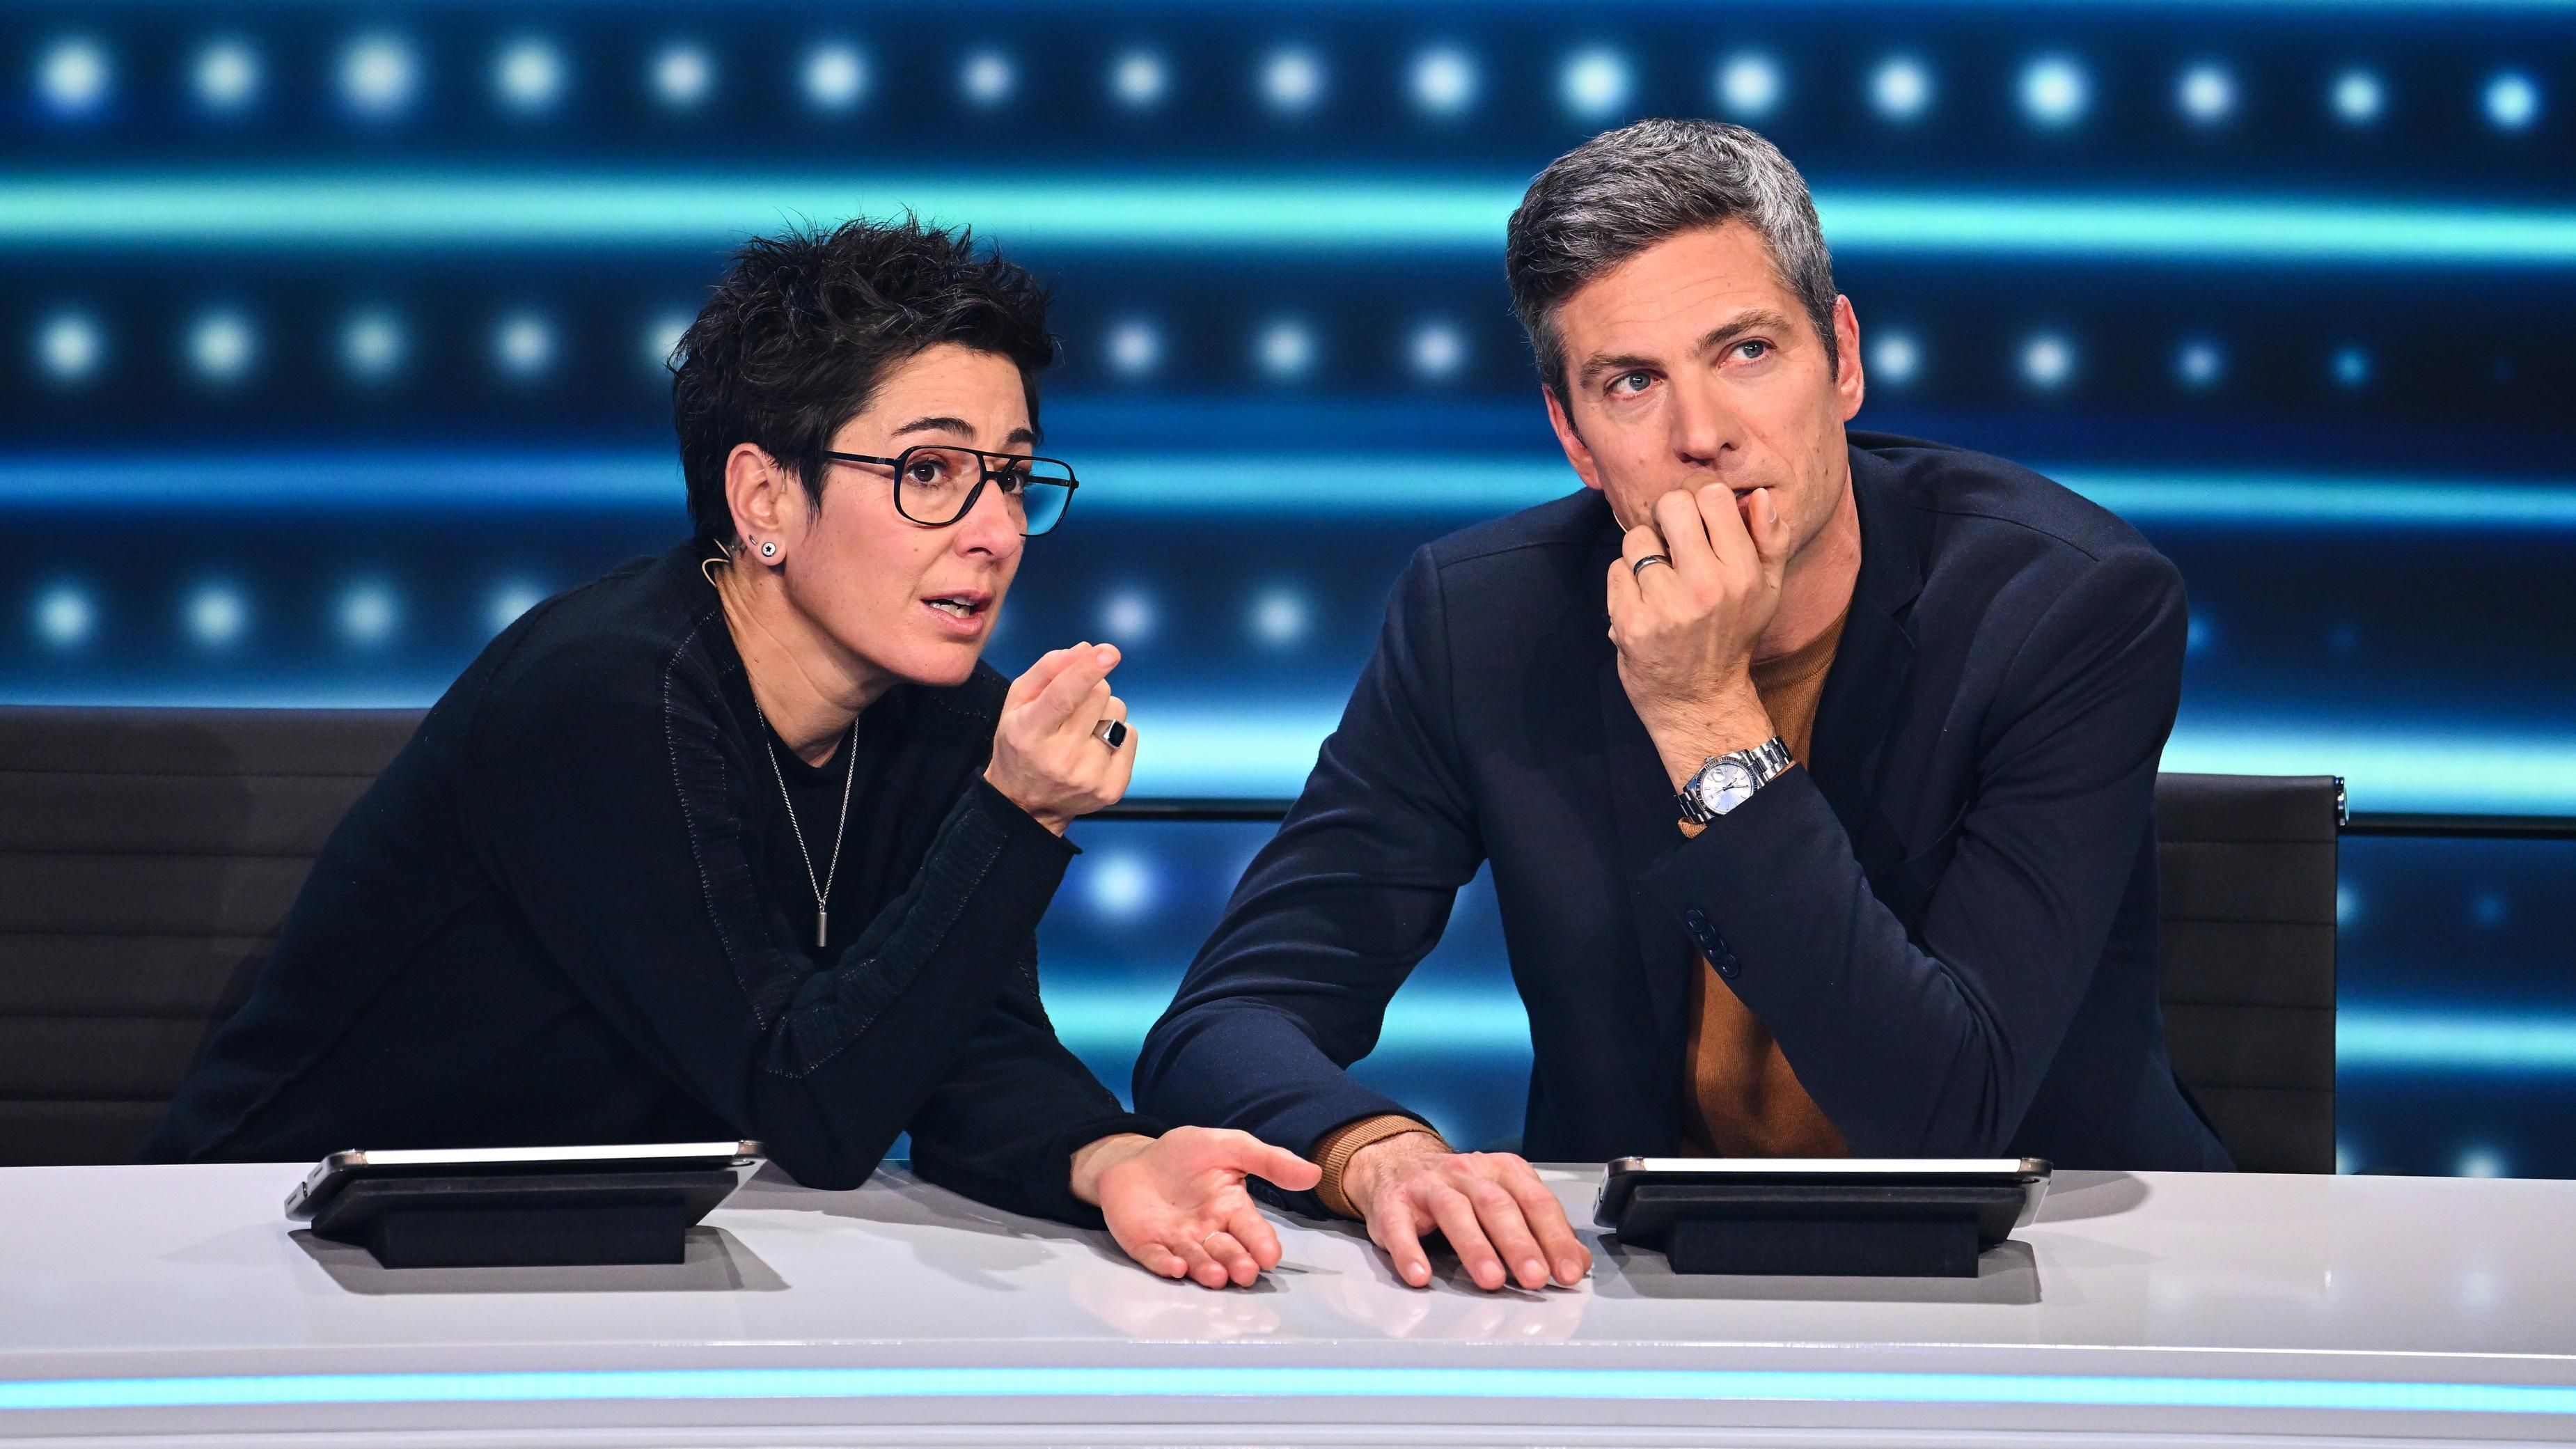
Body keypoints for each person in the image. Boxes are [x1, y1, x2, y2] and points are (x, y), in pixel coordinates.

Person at [1135, 120, 2231, 1294]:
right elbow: (1224, 1020)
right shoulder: (1483, 620)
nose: (1703, 435)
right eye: (1632, 383)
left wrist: (1705, 710)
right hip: (1630, 1292)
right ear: (1574, 437)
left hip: (2059, 1282)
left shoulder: (2066, 607)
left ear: (1843, 359)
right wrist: (1377, 1150)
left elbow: (1939, 1123)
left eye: (1747, 351)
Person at [142, 218, 1317, 1291]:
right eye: (931, 472)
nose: (999, 530)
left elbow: (965, 1048)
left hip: (612, 1265)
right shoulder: (605, 698)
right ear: (763, 497)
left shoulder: (949, 715)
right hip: (279, 1256)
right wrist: (1015, 819)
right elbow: (807, 1103)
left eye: (1010, 474)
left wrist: (1112, 1159)